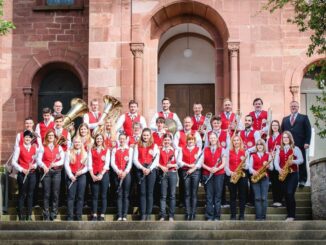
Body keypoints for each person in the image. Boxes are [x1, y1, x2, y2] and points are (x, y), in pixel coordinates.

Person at [274, 131, 303, 221]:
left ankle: (292, 215)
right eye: (284, 138)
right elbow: (276, 162)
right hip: (284, 174)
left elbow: (301, 160)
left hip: (293, 174)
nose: (285, 139)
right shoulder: (279, 149)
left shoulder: (295, 148)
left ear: (290, 138)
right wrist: (279, 169)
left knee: (290, 193)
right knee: (286, 194)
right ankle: (289, 214)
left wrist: (293, 161)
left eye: (287, 137)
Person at [281, 101, 311, 187]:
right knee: (287, 161)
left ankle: (302, 180)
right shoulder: (285, 119)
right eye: (292, 106)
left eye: (295, 106)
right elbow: (282, 132)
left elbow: (308, 131)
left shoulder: (304, 118)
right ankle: (287, 177)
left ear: (298, 107)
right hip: (288, 145)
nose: (293, 107)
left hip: (300, 143)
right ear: (290, 107)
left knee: (302, 162)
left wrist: (307, 142)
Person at [37, 129, 64, 221]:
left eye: (52, 135)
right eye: (49, 136)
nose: (51, 137)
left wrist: (55, 164)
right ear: (47, 137)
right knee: (46, 193)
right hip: (46, 172)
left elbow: (62, 160)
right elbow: (38, 160)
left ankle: (54, 211)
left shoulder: (59, 147)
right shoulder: (42, 147)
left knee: (55, 193)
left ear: (54, 137)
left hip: (56, 172)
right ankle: (46, 213)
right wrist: (44, 166)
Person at [133, 128, 159, 221]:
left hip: (151, 171)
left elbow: (156, 160)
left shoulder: (154, 145)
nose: (145, 137)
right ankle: (143, 214)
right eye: (144, 135)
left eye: (147, 135)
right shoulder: (137, 145)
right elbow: (135, 159)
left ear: (150, 136)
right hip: (141, 171)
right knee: (142, 193)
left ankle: (148, 214)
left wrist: (149, 169)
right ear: (141, 136)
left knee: (150, 193)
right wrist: (142, 168)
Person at [11, 130, 38, 221]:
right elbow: (13, 162)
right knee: (22, 194)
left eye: (29, 137)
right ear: (23, 138)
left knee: (30, 194)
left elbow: (37, 161)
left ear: (31, 139)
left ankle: (29, 215)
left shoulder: (35, 148)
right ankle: (21, 215)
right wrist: (22, 169)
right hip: (22, 174)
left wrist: (33, 166)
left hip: (32, 174)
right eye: (26, 137)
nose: (27, 139)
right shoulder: (19, 148)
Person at [202, 132, 226, 221]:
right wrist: (209, 169)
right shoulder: (205, 150)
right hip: (207, 174)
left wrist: (216, 169)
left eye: (214, 138)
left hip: (219, 174)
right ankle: (209, 216)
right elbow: (201, 163)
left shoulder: (222, 149)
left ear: (217, 139)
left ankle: (217, 216)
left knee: (217, 196)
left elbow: (223, 163)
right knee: (209, 196)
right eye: (210, 138)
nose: (212, 139)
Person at [177, 134, 203, 221]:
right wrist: (188, 165)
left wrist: (193, 168)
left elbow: (200, 162)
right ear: (187, 141)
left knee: (194, 193)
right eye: (189, 140)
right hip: (185, 172)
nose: (190, 141)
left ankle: (193, 213)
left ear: (194, 141)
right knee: (187, 193)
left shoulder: (198, 149)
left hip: (195, 172)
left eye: (192, 140)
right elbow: (179, 161)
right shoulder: (182, 149)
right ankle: (188, 213)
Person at [64, 136, 88, 221]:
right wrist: (71, 175)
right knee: (71, 197)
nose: (77, 144)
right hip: (71, 176)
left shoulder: (85, 153)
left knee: (80, 197)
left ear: (81, 143)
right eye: (76, 142)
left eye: (79, 142)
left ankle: (78, 216)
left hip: (81, 176)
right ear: (73, 143)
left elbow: (87, 167)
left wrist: (81, 172)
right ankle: (70, 216)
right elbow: (66, 165)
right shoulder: (69, 152)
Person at [249, 139, 273, 221]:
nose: (259, 146)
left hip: (264, 178)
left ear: (264, 146)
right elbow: (249, 168)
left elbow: (272, 168)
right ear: (256, 146)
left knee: (264, 198)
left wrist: (268, 166)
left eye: (261, 144)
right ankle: (258, 217)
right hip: (255, 177)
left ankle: (263, 217)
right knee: (257, 198)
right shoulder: (252, 155)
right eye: (258, 145)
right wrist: (253, 171)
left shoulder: (268, 155)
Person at [88, 133, 110, 221]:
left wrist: (101, 174)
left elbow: (107, 164)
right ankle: (94, 214)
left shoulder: (106, 150)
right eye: (97, 139)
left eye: (100, 139)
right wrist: (92, 175)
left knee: (104, 195)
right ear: (95, 140)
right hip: (94, 175)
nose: (99, 140)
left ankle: (102, 214)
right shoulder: (91, 150)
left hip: (104, 175)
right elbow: (89, 164)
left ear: (103, 140)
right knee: (94, 196)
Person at [111, 133, 133, 221]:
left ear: (126, 139)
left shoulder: (130, 149)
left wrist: (125, 172)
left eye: (123, 138)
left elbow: (130, 162)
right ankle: (119, 215)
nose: (122, 140)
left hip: (126, 174)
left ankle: (124, 215)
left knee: (126, 195)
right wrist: (118, 171)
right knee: (119, 195)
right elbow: (112, 162)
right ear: (118, 140)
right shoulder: (115, 149)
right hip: (117, 174)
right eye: (120, 139)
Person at [225, 135, 248, 220]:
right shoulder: (228, 152)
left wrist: (244, 165)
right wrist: (231, 172)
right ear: (232, 142)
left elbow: (248, 165)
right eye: (234, 140)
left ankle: (241, 215)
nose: (236, 142)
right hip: (232, 176)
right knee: (232, 196)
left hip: (242, 176)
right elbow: (226, 165)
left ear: (240, 141)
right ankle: (233, 215)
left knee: (242, 196)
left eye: (238, 140)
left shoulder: (245, 152)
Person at [157, 133, 179, 221]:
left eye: (168, 140)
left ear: (171, 141)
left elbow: (178, 164)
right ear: (163, 141)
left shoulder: (175, 150)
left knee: (172, 195)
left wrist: (170, 165)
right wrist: (161, 166)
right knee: (163, 196)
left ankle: (171, 216)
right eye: (165, 140)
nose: (166, 141)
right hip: (163, 174)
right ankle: (162, 215)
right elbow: (156, 162)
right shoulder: (159, 150)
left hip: (172, 173)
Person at [267, 120, 283, 207]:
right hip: (272, 162)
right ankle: (275, 200)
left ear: (279, 126)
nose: (275, 127)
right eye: (273, 125)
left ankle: (279, 200)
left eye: (276, 125)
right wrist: (270, 153)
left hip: (280, 162)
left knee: (279, 181)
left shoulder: (282, 136)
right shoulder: (269, 138)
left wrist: (279, 148)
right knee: (274, 182)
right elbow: (267, 150)